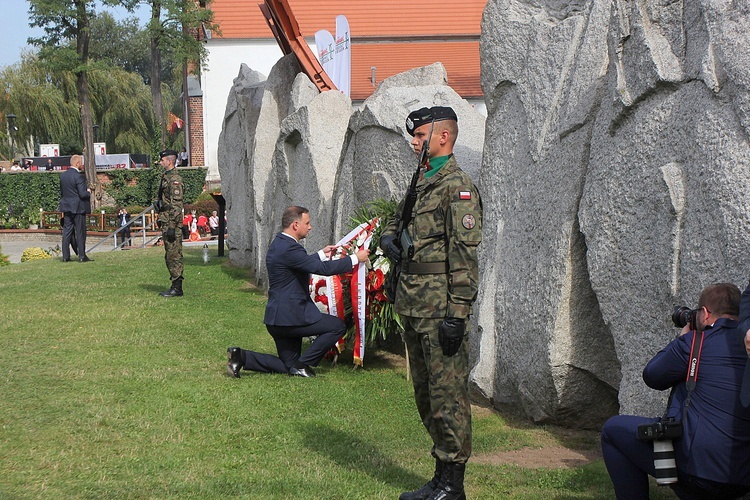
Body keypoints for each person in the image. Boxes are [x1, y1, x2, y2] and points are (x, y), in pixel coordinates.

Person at [380, 106, 482, 500]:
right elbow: (399, 218)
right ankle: (440, 477)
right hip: (414, 304)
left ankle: (453, 486)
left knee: (448, 397)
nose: (414, 142)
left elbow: (465, 258)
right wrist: (389, 237)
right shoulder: (422, 181)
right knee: (426, 394)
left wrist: (458, 314)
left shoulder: (457, 187)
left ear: (443, 137)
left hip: (441, 309)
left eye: (420, 135)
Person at [601, 283, 750, 500]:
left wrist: (682, 339)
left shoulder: (694, 343)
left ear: (705, 314)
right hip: (742, 479)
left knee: (612, 431)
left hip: (696, 472)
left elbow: (652, 376)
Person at [226, 206, 370, 378]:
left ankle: (242, 357)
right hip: (291, 318)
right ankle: (303, 364)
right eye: (307, 223)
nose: (310, 227)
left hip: (277, 319)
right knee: (337, 327)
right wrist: (355, 259)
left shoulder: (280, 243)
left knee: (288, 366)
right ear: (295, 225)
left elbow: (300, 263)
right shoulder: (290, 248)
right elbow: (321, 269)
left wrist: (321, 254)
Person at [154, 149, 184, 297]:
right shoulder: (166, 176)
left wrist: (172, 226)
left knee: (174, 254)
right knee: (169, 254)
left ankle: (177, 287)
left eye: (163, 160)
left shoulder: (175, 179)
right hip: (166, 219)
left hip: (173, 222)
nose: (161, 162)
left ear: (169, 161)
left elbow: (177, 205)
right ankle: (175, 284)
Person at [57, 154, 92, 262]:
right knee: (80, 232)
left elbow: (63, 192)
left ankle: (65, 257)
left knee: (67, 232)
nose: (82, 164)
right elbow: (82, 194)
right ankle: (82, 256)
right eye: (81, 162)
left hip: (67, 207)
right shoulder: (79, 177)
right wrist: (88, 192)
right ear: (77, 163)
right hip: (78, 208)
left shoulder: (63, 176)